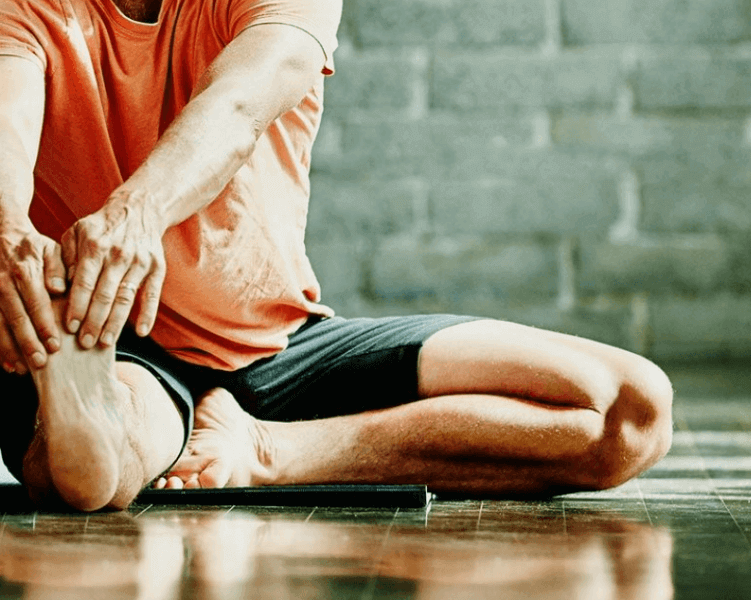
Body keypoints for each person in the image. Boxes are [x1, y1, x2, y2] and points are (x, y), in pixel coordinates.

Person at [0, 0, 673, 512]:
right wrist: (9, 234)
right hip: (117, 333)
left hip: (284, 341)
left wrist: (136, 212)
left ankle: (265, 452)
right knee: (98, 455)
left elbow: (237, 106)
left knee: (628, 411)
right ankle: (85, 415)